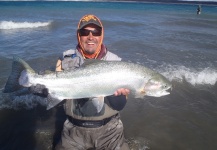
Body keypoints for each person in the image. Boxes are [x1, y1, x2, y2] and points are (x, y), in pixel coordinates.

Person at [54, 14, 130, 150]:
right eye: (84, 32)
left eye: (95, 32)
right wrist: (42, 88)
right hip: (73, 131)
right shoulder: (64, 59)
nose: (90, 37)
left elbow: (119, 106)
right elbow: (58, 100)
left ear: (101, 35)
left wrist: (116, 94)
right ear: (78, 35)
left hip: (110, 131)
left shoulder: (117, 63)